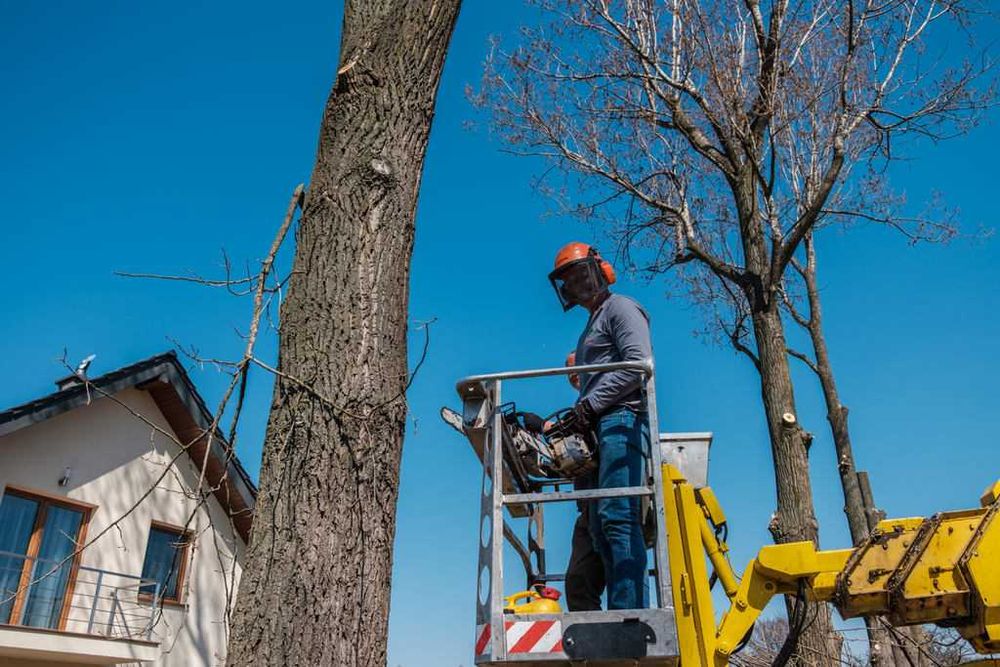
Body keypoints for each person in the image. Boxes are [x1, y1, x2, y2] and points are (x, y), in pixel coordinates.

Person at [549, 241, 652, 610]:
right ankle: (607, 618)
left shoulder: (620, 308)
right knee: (596, 525)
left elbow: (638, 364)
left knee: (618, 516)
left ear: (600, 270)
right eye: (569, 282)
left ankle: (631, 616)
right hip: (597, 426)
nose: (577, 286)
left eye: (581, 275)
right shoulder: (593, 324)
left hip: (620, 421)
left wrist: (591, 401)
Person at [562, 351, 606, 611]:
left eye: (577, 368)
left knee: (616, 566)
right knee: (578, 580)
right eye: (569, 373)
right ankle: (594, 646)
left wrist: (554, 428)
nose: (573, 375)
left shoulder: (600, 403)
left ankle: (626, 631)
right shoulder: (582, 405)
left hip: (604, 498)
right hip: (588, 504)